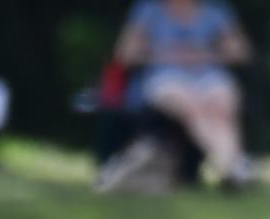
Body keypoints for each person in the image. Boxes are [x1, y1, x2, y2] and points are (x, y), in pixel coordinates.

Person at [102, 0, 255, 192]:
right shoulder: (148, 10)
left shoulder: (215, 10)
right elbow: (124, 54)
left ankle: (231, 168)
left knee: (223, 105)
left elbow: (241, 52)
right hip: (165, 76)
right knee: (191, 105)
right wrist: (165, 54)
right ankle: (233, 166)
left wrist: (204, 55)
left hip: (208, 75)